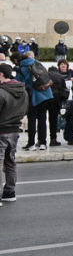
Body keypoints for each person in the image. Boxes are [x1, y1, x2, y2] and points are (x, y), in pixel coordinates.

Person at [15, 46, 54, 151]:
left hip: (33, 96)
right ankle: (43, 143)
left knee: (32, 120)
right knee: (42, 119)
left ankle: (31, 143)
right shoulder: (38, 63)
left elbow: (18, 82)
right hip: (45, 93)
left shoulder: (22, 66)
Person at [0, 63, 29, 204]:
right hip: (14, 130)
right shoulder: (23, 91)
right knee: (10, 161)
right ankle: (10, 191)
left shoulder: (1, 92)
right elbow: (25, 109)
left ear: (1, 75)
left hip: (1, 130)